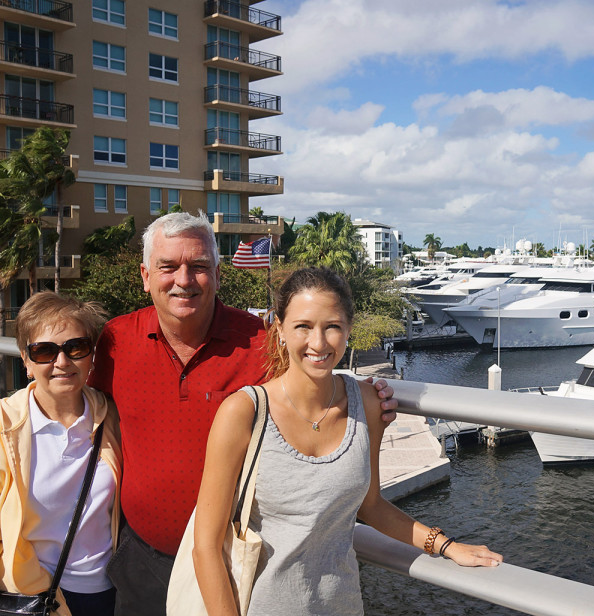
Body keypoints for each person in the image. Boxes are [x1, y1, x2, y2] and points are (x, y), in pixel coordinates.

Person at [88, 212, 399, 616]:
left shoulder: (260, 343)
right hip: (143, 558)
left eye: (199, 266)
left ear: (217, 273)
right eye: (168, 266)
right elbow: (78, 409)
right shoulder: (115, 341)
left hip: (238, 561)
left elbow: (312, 374)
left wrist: (368, 398)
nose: (184, 279)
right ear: (146, 275)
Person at [193, 267, 502, 615]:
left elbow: (371, 506)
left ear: (349, 329)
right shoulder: (243, 412)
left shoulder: (367, 403)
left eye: (332, 327)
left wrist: (446, 546)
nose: (319, 343)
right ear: (279, 329)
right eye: (303, 326)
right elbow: (205, 545)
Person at [0, 292, 121, 616]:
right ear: (26, 361)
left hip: (107, 595)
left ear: (92, 356)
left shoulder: (112, 417)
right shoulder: (4, 427)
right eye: (44, 351)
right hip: (33, 596)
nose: (62, 362)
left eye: (76, 348)